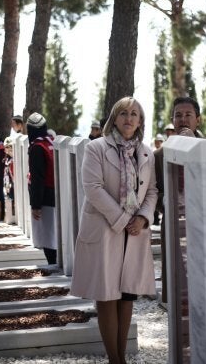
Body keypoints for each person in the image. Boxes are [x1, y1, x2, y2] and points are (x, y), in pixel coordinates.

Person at [70, 97, 157, 364]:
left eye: (134, 114)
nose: (129, 118)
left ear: (140, 121)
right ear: (114, 118)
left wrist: (143, 218)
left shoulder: (146, 153)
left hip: (134, 232)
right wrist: (121, 219)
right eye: (123, 114)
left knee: (127, 296)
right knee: (107, 296)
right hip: (105, 229)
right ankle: (115, 359)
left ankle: (121, 358)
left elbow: (152, 190)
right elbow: (93, 188)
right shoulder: (96, 148)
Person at [154, 96, 206, 304]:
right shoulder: (159, 155)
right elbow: (155, 192)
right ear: (172, 120)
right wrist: (169, 201)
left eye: (188, 115)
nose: (183, 120)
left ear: (198, 120)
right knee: (181, 293)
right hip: (176, 229)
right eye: (178, 116)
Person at [26, 113, 58, 264]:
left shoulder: (37, 148)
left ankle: (53, 266)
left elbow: (38, 178)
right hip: (57, 194)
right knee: (54, 236)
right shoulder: (51, 141)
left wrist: (36, 205)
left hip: (46, 197)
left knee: (48, 238)